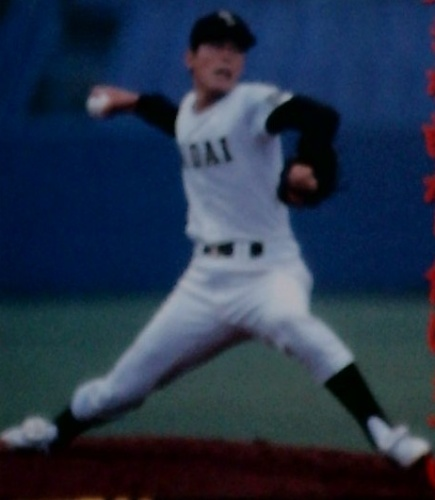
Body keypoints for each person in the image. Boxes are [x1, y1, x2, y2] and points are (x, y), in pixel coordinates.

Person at [1, 10, 430, 468]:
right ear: (190, 58)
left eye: (236, 49)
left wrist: (308, 161)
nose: (227, 56)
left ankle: (386, 435)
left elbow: (320, 117)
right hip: (205, 282)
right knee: (121, 390)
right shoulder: (190, 113)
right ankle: (52, 433)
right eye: (216, 46)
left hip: (269, 273)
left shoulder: (251, 102)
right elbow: (176, 121)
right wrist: (131, 103)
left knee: (294, 323)